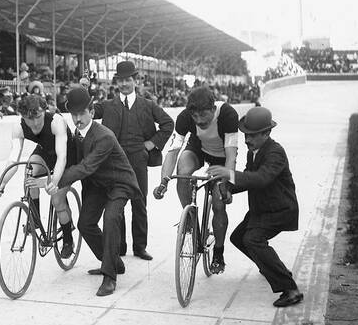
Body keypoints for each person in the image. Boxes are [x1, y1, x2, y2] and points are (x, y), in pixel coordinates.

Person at [47, 88, 142, 296]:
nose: (78, 119)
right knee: (85, 224)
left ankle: (109, 277)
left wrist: (56, 181)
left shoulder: (104, 136)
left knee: (110, 218)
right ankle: (114, 261)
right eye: (74, 115)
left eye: (82, 113)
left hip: (120, 184)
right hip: (98, 184)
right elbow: (70, 160)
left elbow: (85, 167)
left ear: (92, 111)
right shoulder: (76, 135)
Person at [206, 107, 303, 307]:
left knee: (253, 240)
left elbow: (261, 179)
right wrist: (226, 187)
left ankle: (290, 289)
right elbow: (248, 178)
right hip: (262, 209)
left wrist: (229, 174)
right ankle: (272, 268)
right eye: (245, 135)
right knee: (238, 238)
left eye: (252, 135)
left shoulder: (275, 152)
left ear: (267, 133)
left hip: (280, 210)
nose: (247, 140)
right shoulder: (254, 153)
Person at [93, 61, 174, 260]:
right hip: (114, 161)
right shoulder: (108, 105)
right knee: (116, 203)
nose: (124, 84)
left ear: (135, 81)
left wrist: (151, 144)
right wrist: (85, 87)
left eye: (128, 80)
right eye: (120, 80)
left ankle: (140, 247)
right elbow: (88, 110)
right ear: (116, 83)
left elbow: (168, 123)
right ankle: (119, 247)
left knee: (139, 202)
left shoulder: (147, 104)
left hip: (138, 159)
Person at [153, 86, 238, 274]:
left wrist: (228, 184)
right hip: (199, 149)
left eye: (204, 116)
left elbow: (231, 155)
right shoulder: (185, 117)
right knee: (182, 169)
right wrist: (164, 182)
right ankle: (190, 217)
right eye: (195, 117)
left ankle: (218, 253)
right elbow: (173, 150)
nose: (199, 121)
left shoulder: (228, 114)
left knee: (218, 203)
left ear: (213, 110)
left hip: (223, 157)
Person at [0, 95, 76, 258]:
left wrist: (53, 182)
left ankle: (68, 239)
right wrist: (2, 182)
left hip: (67, 156)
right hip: (46, 152)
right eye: (29, 119)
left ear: (44, 111)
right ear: (22, 116)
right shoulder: (18, 127)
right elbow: (13, 157)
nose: (35, 123)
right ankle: (35, 219)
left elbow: (62, 157)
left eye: (38, 117)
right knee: (29, 170)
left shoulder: (56, 121)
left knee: (57, 199)